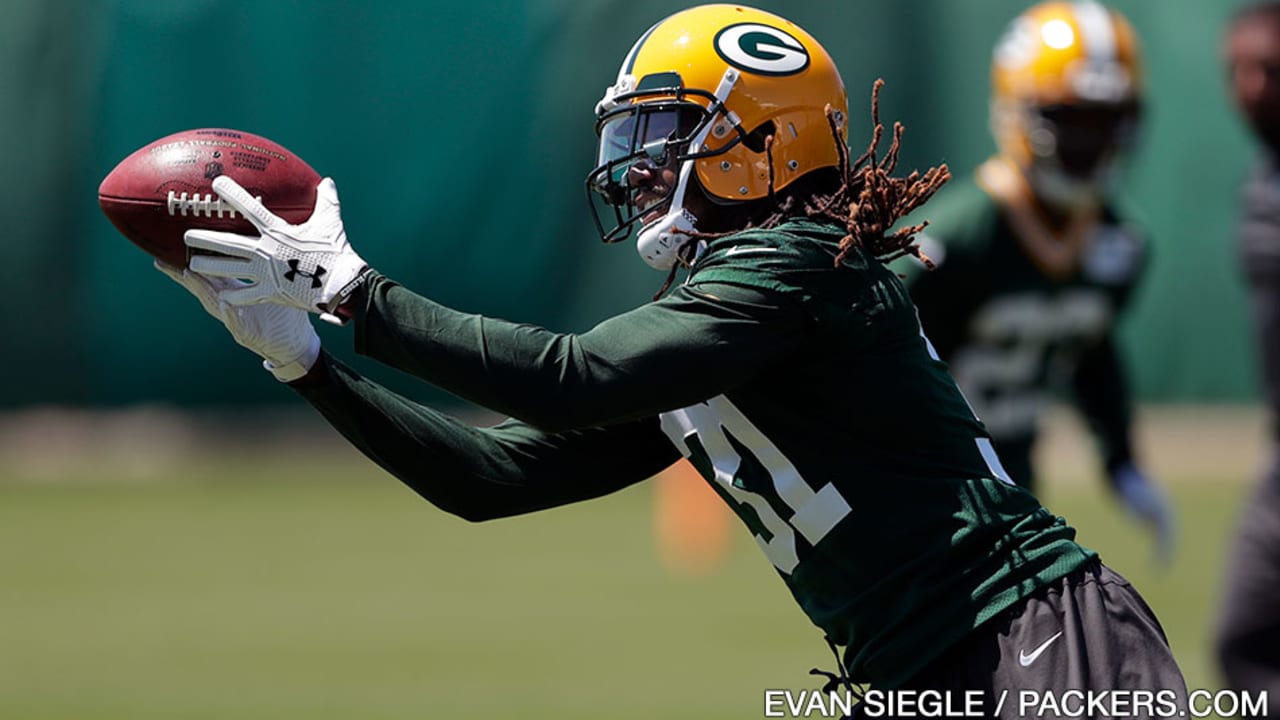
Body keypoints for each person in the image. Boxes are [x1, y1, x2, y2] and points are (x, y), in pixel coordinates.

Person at [157, 4, 1186, 712]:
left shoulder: (797, 264)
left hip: (1033, 639)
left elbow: (576, 376)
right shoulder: (733, 303)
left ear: (760, 138)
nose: (639, 165)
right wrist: (306, 366)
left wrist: (347, 291)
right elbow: (491, 478)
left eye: (667, 131)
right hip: (921, 665)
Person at [902, 0, 1175, 562]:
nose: (1089, 141)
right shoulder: (958, 237)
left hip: (1017, 486)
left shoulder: (1117, 244)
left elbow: (1092, 355)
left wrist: (1120, 460)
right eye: (1070, 118)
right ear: (1017, 111)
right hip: (924, 489)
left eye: (1105, 121)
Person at [1216, 1, 1280, 708]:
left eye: (1272, 69)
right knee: (1245, 641)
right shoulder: (1261, 181)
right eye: (1239, 71)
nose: (1253, 86)